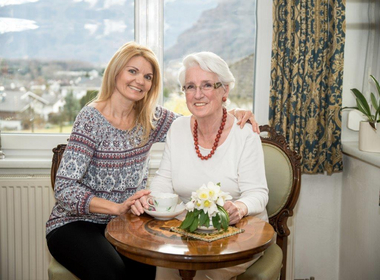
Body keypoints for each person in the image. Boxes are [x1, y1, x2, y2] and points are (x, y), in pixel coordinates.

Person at [45, 41, 260, 280]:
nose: (140, 80)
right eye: (132, 71)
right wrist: (116, 208)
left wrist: (231, 112)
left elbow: (199, 116)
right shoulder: (90, 119)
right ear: (116, 72)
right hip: (77, 223)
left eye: (147, 76)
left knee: (146, 269)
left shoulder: (151, 118)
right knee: (114, 274)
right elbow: (65, 188)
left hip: (127, 223)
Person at [131, 51, 269, 280]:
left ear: (224, 90)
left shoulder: (244, 133)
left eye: (207, 85)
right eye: (190, 87)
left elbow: (258, 193)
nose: (197, 95)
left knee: (202, 276)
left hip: (237, 238)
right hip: (190, 234)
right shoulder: (178, 128)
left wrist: (240, 207)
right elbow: (164, 180)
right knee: (163, 271)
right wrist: (152, 199)